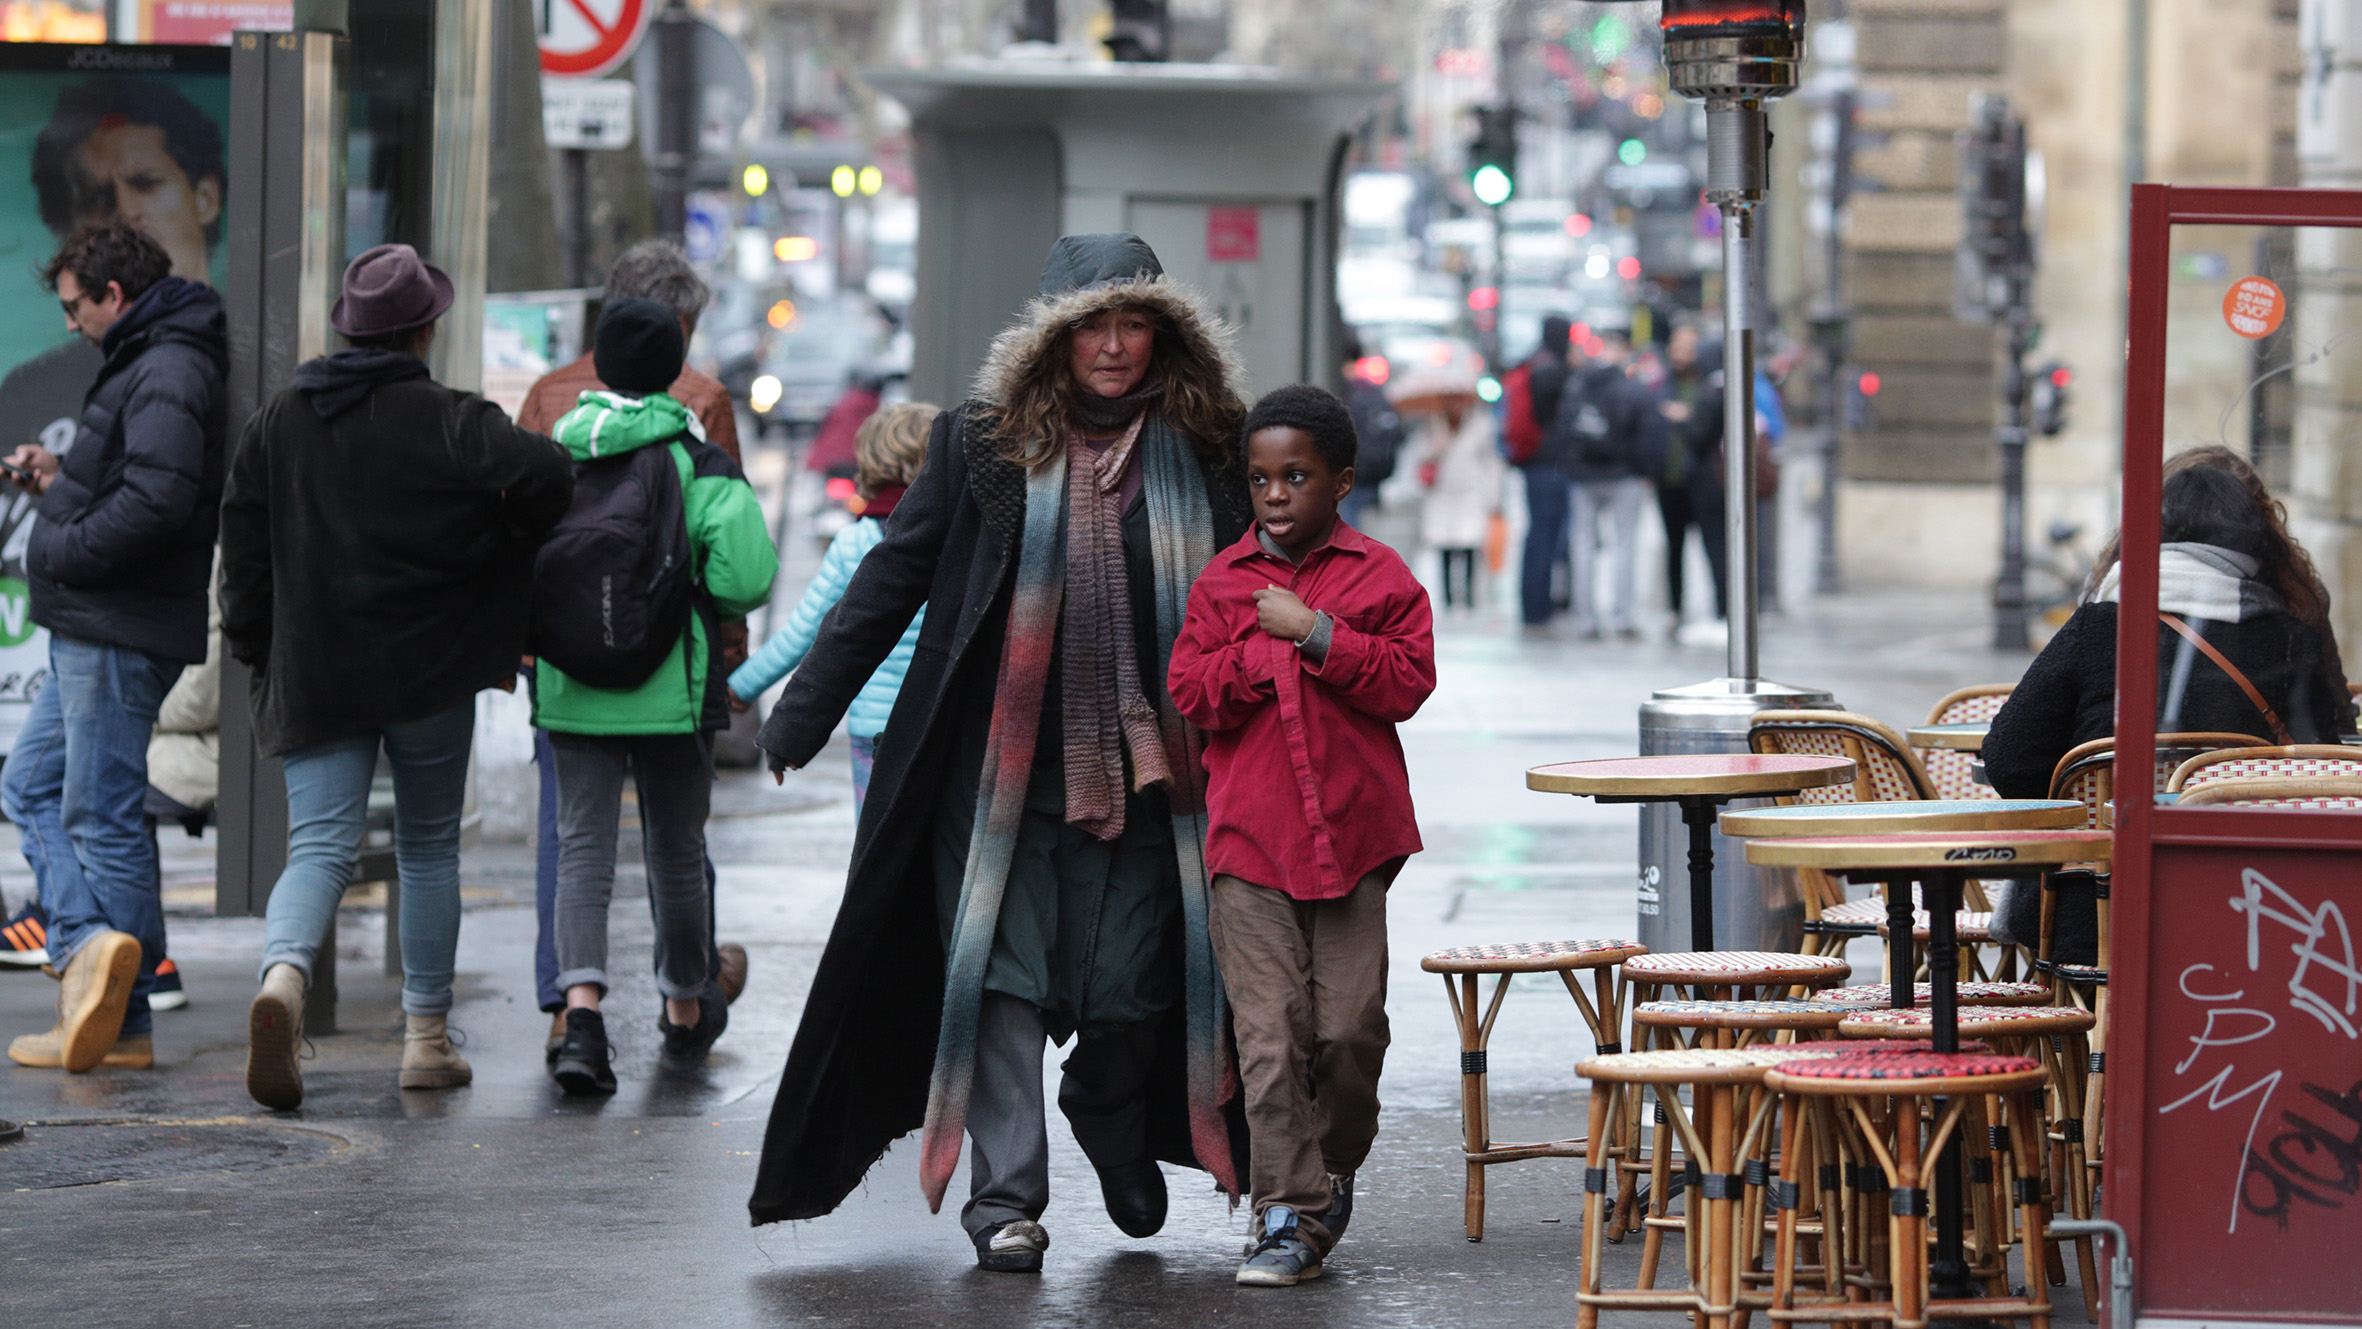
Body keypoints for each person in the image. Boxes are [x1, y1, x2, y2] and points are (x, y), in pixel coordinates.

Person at [745, 234, 1254, 1273]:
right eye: (1090, 328)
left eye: (1132, 323)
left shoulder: (1208, 445)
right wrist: (798, 715)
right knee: (1001, 990)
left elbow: (1256, 585)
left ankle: (1111, 1116)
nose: (1112, 347)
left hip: (1158, 778)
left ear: (1164, 331)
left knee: (1132, 987)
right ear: (1051, 340)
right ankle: (1006, 1202)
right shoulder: (982, 444)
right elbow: (890, 578)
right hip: (1000, 778)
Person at [221, 243, 572, 1108]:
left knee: (320, 847)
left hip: (318, 670)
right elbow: (550, 477)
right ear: (424, 330)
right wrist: (495, 552)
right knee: (425, 848)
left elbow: (243, 551)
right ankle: (424, 1038)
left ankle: (285, 982)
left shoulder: (279, 420)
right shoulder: (452, 419)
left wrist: (259, 649)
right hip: (430, 668)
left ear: (347, 329)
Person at [1167, 384, 1435, 1286]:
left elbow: (1406, 683)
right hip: (1251, 844)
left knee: (1350, 1031)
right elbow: (1191, 693)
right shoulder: (1222, 582)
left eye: (1296, 476)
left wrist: (1319, 633)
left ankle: (1335, 1159)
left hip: (1353, 843)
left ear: (1341, 481)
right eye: (1260, 478)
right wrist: (1259, 648)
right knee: (1271, 1035)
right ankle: (1287, 1214)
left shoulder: (1381, 577)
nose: (1275, 493)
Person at [0, 77, 227, 963]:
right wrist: (60, 477)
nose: (70, 321)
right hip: (98, 614)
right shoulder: (147, 356)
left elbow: (159, 499)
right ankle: (91, 955)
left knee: (98, 808)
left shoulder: (167, 364)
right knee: (31, 784)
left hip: (114, 619)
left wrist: (62, 541)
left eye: (76, 304)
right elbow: (137, 480)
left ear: (117, 297)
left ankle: (120, 989)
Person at [517, 239, 751, 1058]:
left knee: (579, 846)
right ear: (677, 352)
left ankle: (578, 1015)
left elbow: (510, 550)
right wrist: (724, 646)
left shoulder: (549, 427)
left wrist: (529, 646)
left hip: (571, 676)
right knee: (677, 850)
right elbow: (744, 573)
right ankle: (685, 1005)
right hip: (672, 680)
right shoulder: (698, 442)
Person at [1983, 452, 2357, 800]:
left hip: (2099, 865)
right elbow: (2324, 771)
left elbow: (2008, 760)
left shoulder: (2098, 625)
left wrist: (2086, 804)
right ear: (2259, 542)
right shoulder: (2292, 639)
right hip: (2245, 865)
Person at [729, 401, 938, 813]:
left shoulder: (856, 543)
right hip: (941, 720)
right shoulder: (957, 539)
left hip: (872, 730)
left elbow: (803, 635)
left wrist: (739, 687)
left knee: (876, 850)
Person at [1555, 331, 1661, 639]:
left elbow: (1563, 431)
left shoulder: (1578, 387)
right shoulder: (1632, 390)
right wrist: (1645, 469)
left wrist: (1572, 468)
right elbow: (1650, 432)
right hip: (1624, 477)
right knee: (1625, 544)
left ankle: (1585, 617)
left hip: (1584, 478)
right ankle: (1622, 617)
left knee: (1583, 545)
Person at [1656, 322, 1727, 628]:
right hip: (1669, 480)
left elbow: (1702, 432)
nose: (1681, 353)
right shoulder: (1664, 383)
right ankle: (1675, 607)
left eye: (1688, 347)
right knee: (1674, 547)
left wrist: (1682, 418)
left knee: (1715, 547)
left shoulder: (1710, 388)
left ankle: (1723, 610)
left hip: (1703, 479)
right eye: (1677, 346)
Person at [1411, 391, 1502, 610]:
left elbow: (1491, 461)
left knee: (1470, 543)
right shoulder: (1432, 425)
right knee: (1445, 545)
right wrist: (1435, 447)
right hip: (1442, 493)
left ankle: (1469, 597)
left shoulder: (1481, 425)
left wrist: (1493, 495)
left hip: (1471, 492)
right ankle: (1449, 597)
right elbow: (1419, 457)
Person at [1516, 315, 1575, 627]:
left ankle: (1536, 603)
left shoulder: (1533, 363)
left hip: (1535, 462)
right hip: (1549, 462)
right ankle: (1539, 605)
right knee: (1547, 533)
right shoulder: (1555, 370)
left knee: (1539, 532)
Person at [1335, 335, 1402, 529]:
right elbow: (1398, 434)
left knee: (1347, 524)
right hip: (1371, 475)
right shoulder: (1374, 392)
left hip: (1348, 472)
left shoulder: (1344, 391)